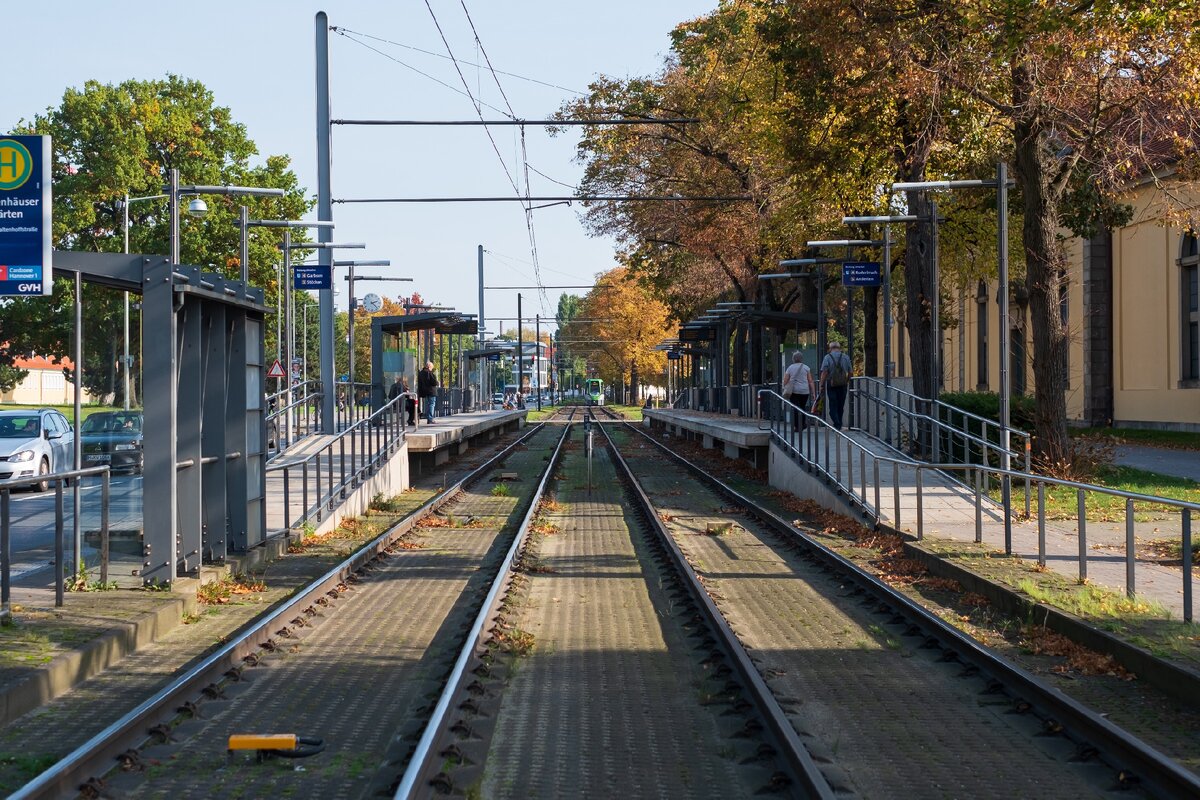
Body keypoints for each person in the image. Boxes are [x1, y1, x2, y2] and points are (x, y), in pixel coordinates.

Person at [819, 341, 852, 430]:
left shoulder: (827, 357)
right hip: (843, 384)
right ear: (839, 348)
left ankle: (837, 423)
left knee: (833, 404)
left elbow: (824, 372)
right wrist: (847, 380)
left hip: (831, 384)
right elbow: (850, 372)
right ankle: (839, 423)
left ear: (830, 348)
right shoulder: (846, 357)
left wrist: (821, 384)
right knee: (841, 405)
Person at [781, 350, 815, 432]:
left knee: (796, 408)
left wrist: (784, 387)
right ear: (801, 359)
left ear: (793, 359)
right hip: (805, 391)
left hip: (794, 391)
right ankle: (803, 424)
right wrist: (813, 392)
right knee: (802, 407)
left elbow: (785, 380)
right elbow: (810, 381)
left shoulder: (790, 368)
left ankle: (797, 426)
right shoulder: (806, 367)